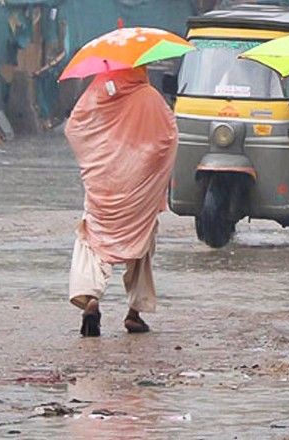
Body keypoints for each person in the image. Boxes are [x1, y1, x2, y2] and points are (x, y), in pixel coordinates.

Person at [64, 66, 178, 337]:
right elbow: (169, 138)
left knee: (92, 241)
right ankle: (134, 313)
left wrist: (99, 158)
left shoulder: (97, 93)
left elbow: (75, 129)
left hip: (102, 185)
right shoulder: (150, 97)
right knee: (141, 245)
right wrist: (146, 167)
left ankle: (91, 300)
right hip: (139, 189)